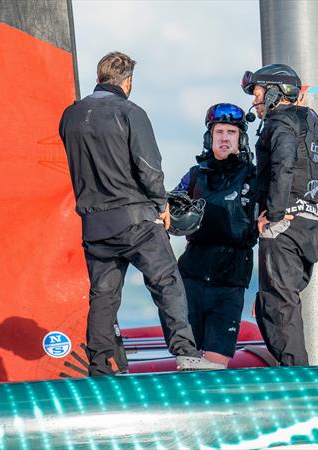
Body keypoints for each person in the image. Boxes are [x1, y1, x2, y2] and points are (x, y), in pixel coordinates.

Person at [59, 51, 223, 376]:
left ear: (99, 77)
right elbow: (149, 168)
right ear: (128, 82)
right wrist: (162, 205)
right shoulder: (130, 112)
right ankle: (186, 354)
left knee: (103, 296)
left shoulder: (70, 116)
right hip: (136, 220)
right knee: (167, 283)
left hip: (94, 225)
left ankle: (99, 366)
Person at [241, 64, 318, 366]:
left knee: (278, 305)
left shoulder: (281, 122)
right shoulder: (311, 121)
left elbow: (284, 166)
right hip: (307, 226)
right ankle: (294, 369)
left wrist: (273, 215)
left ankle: (297, 378)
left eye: (258, 92)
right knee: (279, 303)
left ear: (276, 92)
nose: (255, 100)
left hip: (284, 225)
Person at [173, 103, 258, 368]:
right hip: (193, 277)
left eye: (231, 132)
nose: (224, 137)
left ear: (240, 138)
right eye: (218, 131)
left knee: (216, 360)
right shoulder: (195, 175)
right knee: (187, 360)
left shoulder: (255, 177)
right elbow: (171, 207)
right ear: (209, 138)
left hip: (230, 280)